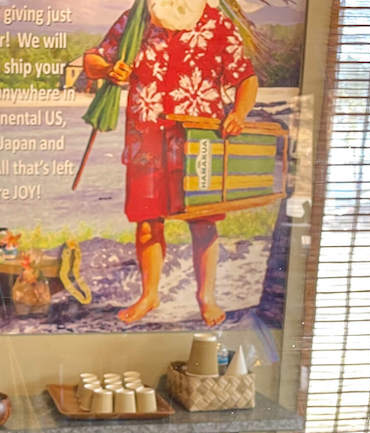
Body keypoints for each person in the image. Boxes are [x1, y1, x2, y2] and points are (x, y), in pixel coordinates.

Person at [84, 0, 259, 326]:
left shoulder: (215, 22)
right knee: (148, 221)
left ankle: (206, 296)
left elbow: (246, 77)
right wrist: (109, 70)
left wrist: (239, 113)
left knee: (203, 220)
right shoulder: (137, 17)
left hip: (199, 143)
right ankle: (149, 295)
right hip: (146, 139)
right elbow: (92, 60)